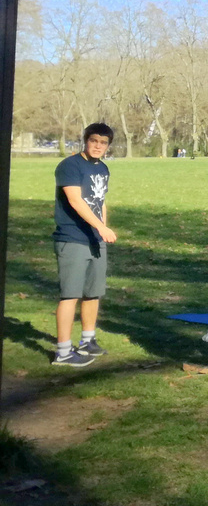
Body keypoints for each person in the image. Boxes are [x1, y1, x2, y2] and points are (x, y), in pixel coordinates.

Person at [52, 123, 116, 367]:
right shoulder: (69, 166)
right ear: (85, 141)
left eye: (103, 142)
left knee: (93, 292)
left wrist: (102, 230)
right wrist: (100, 227)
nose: (98, 146)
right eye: (94, 141)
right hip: (72, 238)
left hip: (95, 239)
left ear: (108, 145)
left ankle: (87, 341)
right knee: (70, 294)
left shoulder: (103, 168)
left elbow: (100, 201)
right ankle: (63, 352)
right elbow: (76, 201)